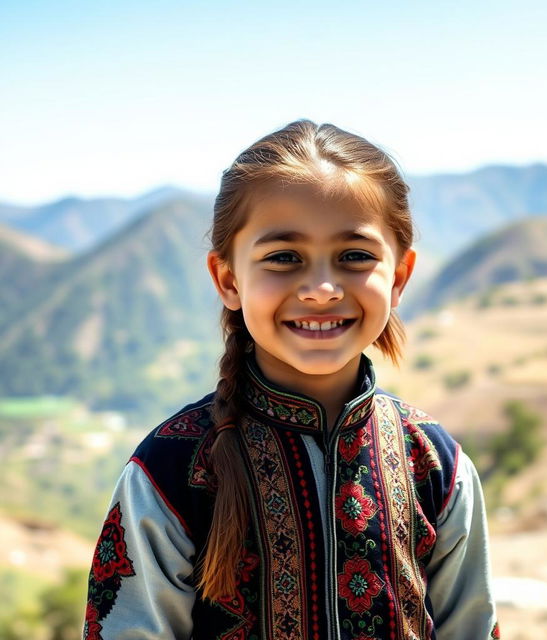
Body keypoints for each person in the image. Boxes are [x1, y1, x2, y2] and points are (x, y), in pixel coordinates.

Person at [83, 119, 500, 640]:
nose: (322, 289)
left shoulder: (435, 463)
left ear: (398, 278)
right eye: (283, 258)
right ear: (228, 279)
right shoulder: (169, 469)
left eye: (355, 257)